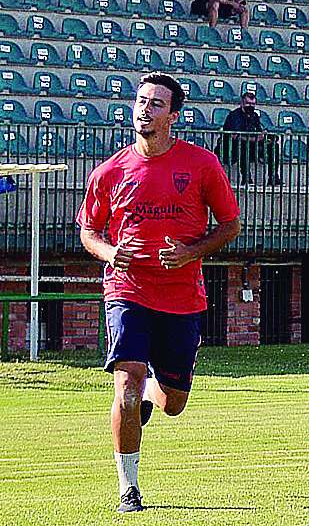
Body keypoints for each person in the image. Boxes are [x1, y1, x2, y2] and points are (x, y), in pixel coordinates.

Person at [77, 73, 241, 513]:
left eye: (155, 104)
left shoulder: (203, 164)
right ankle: (128, 487)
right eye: (140, 101)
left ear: (174, 115)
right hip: (127, 292)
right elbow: (89, 232)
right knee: (125, 390)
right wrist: (111, 253)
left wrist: (191, 251)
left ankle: (155, 392)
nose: (144, 110)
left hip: (183, 298)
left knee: (172, 404)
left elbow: (229, 226)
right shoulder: (109, 170)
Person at [219, 90, 281, 186]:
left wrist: (265, 138)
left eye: (252, 104)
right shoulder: (234, 116)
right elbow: (235, 136)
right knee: (243, 146)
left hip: (252, 146)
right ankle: (246, 178)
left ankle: (273, 178)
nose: (250, 106)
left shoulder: (254, 116)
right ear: (242, 103)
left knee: (274, 146)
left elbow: (258, 131)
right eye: (248, 103)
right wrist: (255, 140)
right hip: (232, 148)